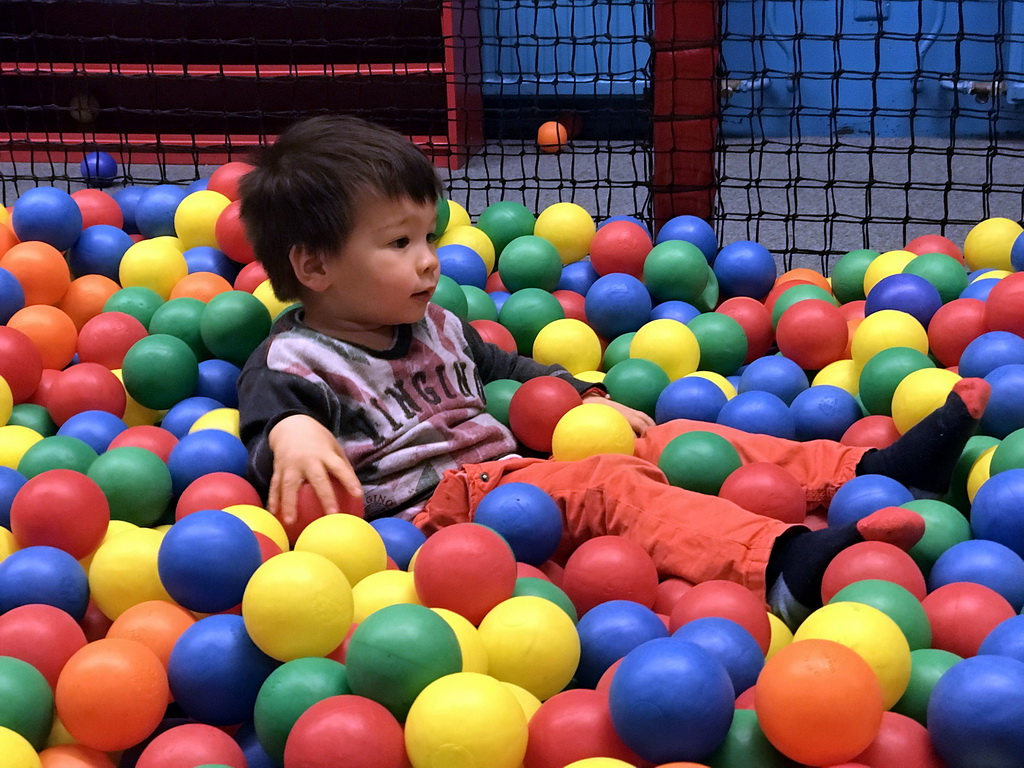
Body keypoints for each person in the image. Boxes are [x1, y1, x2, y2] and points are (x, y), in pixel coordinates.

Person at [237, 114, 990, 628]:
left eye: (428, 235)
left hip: (513, 480)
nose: (429, 259)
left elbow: (517, 369)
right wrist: (298, 433)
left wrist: (586, 397)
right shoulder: (296, 358)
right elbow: (272, 417)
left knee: (679, 437)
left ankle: (870, 466)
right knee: (609, 485)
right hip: (434, 522)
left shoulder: (434, 324)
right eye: (398, 243)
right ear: (316, 266)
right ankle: (784, 568)